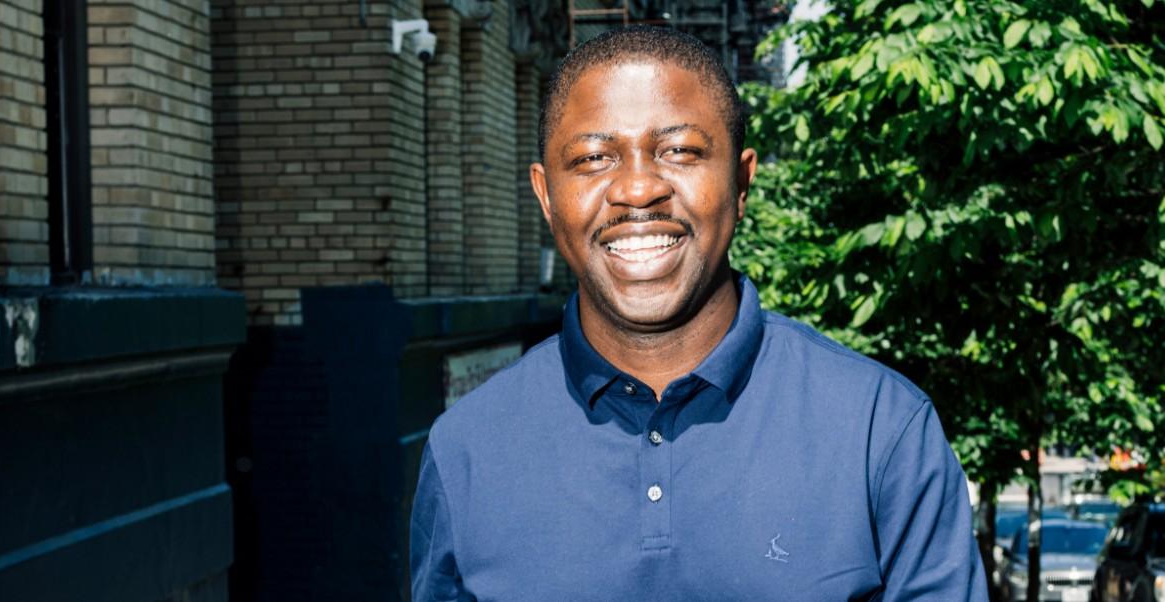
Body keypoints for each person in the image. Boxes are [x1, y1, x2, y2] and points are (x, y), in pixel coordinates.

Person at [410, 26, 986, 600]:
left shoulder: (880, 429)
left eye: (679, 150)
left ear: (740, 182)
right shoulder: (466, 449)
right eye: (592, 158)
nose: (637, 189)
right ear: (546, 196)